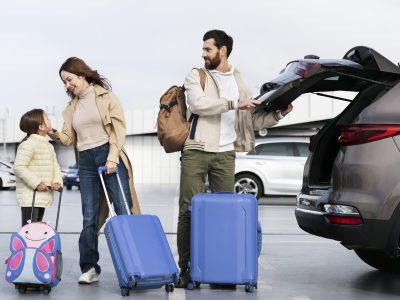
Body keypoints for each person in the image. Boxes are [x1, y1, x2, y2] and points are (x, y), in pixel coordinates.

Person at [176, 29, 293, 288]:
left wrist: (278, 114)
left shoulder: (240, 81)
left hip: (225, 154)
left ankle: (220, 269)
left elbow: (248, 119)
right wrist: (233, 104)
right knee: (188, 210)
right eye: (203, 48)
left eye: (208, 49)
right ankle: (184, 269)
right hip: (196, 150)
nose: (203, 53)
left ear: (223, 50)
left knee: (224, 214)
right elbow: (198, 105)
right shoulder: (196, 75)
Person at [48, 57, 141, 284]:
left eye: (69, 79)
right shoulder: (71, 108)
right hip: (86, 161)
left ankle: (135, 264)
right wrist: (54, 133)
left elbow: (118, 130)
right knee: (89, 215)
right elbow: (69, 139)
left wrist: (112, 158)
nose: (67, 85)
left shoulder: (106, 97)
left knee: (123, 210)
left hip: (109, 154)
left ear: (81, 74)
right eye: (64, 82)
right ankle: (89, 267)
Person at [13, 109, 63, 227]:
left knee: (37, 230)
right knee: (29, 230)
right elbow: (19, 167)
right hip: (30, 196)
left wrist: (56, 181)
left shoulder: (48, 146)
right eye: (47, 118)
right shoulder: (28, 144)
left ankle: (34, 246)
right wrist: (37, 183)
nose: (50, 120)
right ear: (41, 126)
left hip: (41, 195)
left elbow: (55, 166)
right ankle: (26, 246)